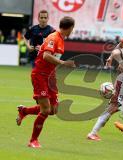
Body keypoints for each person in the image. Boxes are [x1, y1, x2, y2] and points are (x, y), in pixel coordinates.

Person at [16, 16, 76, 148]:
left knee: (53, 110)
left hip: (50, 76)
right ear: (70, 28)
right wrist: (63, 63)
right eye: (73, 28)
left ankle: (24, 111)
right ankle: (33, 141)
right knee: (45, 110)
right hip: (40, 75)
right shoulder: (54, 38)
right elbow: (46, 56)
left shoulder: (60, 38)